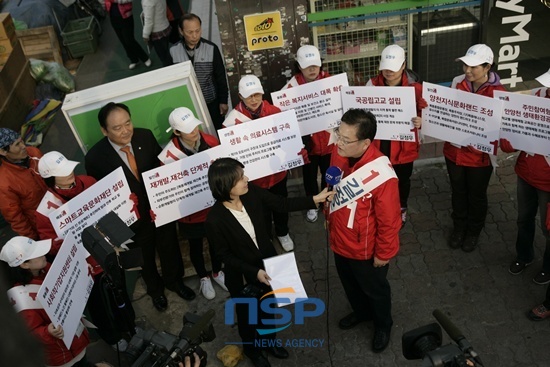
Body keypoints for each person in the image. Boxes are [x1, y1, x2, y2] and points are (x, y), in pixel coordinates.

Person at [205, 157, 333, 367]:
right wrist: (254, 272)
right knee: (248, 317)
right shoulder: (214, 219)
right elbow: (222, 255)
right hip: (244, 277)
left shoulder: (251, 192)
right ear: (227, 186)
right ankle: (253, 350)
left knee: (269, 307)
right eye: (240, 178)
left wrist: (314, 199)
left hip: (268, 264)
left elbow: (281, 204)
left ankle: (269, 341)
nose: (246, 179)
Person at [85, 102, 195, 312]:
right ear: (104, 130)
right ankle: (156, 291)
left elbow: (159, 171)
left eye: (128, 123)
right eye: (117, 128)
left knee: (169, 247)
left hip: (159, 210)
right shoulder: (95, 158)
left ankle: (175, 282)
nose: (125, 130)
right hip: (132, 222)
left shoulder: (144, 136)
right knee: (144, 259)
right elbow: (101, 197)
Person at [34, 151, 135, 349]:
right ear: (50, 178)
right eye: (62, 172)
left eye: (69, 168)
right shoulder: (46, 210)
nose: (70, 173)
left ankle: (129, 324)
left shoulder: (88, 182)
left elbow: (110, 204)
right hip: (84, 265)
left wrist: (127, 204)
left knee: (120, 290)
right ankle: (112, 337)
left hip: (109, 251)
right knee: (98, 304)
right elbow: (49, 243)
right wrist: (63, 242)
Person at [327, 109, 401, 353]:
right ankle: (361, 312)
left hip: (366, 251)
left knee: (375, 291)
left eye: (346, 139)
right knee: (350, 286)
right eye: (339, 134)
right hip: (340, 241)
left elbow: (389, 221)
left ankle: (383, 325)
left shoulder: (383, 176)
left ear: (365, 143)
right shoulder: (339, 155)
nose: (339, 142)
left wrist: (384, 253)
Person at [159, 107, 228, 300]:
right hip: (189, 215)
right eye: (187, 129)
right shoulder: (167, 157)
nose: (194, 131)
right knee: (195, 247)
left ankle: (216, 272)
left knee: (216, 243)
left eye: (194, 126)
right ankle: (203, 277)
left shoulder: (212, 141)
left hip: (213, 208)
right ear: (176, 132)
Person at [222, 75, 295, 252]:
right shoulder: (231, 122)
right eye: (249, 96)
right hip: (252, 181)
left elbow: (287, 139)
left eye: (257, 94)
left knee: (280, 205)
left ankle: (283, 232)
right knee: (258, 211)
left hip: (277, 174)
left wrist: (294, 151)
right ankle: (265, 237)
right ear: (240, 97)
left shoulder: (275, 112)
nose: (254, 99)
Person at [444, 44, 506, 252]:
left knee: (476, 195)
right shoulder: (457, 82)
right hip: (454, 152)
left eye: (473, 67)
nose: (467, 71)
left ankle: (473, 231)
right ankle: (459, 228)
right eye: (465, 66)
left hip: (480, 158)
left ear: (488, 66)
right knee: (458, 192)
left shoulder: (499, 93)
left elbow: (502, 129)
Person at [0, 236, 90, 366]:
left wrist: (81, 269)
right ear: (24, 264)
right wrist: (47, 332)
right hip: (63, 356)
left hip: (77, 341)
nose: (43, 254)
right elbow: (30, 334)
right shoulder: (19, 298)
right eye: (37, 254)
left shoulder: (45, 267)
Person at [501, 68, 550, 285]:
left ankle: (548, 268)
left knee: (548, 228)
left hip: (548, 182)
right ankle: (524, 256)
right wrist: (509, 138)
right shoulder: (538, 95)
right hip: (526, 172)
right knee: (524, 218)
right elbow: (520, 128)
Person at [367, 44, 424, 227]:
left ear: (403, 65)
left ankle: (401, 208)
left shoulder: (416, 89)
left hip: (403, 147)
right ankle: (379, 209)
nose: (388, 72)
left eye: (393, 68)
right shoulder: (371, 85)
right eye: (385, 68)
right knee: (378, 179)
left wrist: (421, 121)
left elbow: (428, 115)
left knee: (402, 181)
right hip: (379, 144)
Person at [281, 44, 333, 223]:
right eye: (307, 65)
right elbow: (280, 114)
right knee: (309, 177)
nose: (312, 69)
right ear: (299, 66)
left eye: (315, 65)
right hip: (307, 145)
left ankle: (329, 202)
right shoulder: (290, 88)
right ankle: (313, 205)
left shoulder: (331, 81)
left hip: (330, 141)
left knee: (330, 173)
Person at [170, 13, 229, 130]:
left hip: (211, 103)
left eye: (197, 31)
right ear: (181, 31)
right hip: (188, 105)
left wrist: (223, 101)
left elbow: (220, 77)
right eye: (190, 32)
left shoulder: (211, 48)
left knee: (217, 131)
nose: (195, 36)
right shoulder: (173, 51)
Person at [0, 128, 47, 239]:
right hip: (42, 226)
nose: (24, 146)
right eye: (17, 144)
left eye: (22, 141)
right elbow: (16, 218)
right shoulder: (4, 183)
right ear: (3, 151)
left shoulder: (34, 153)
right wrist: (33, 240)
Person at [100, 0, 152, 69]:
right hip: (113, 17)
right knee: (123, 41)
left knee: (129, 40)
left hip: (126, 17)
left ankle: (145, 58)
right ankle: (134, 59)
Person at [141, 0, 172, 66]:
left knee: (163, 56)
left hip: (157, 32)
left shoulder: (148, 2)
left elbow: (149, 20)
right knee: (167, 52)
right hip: (165, 27)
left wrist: (145, 35)